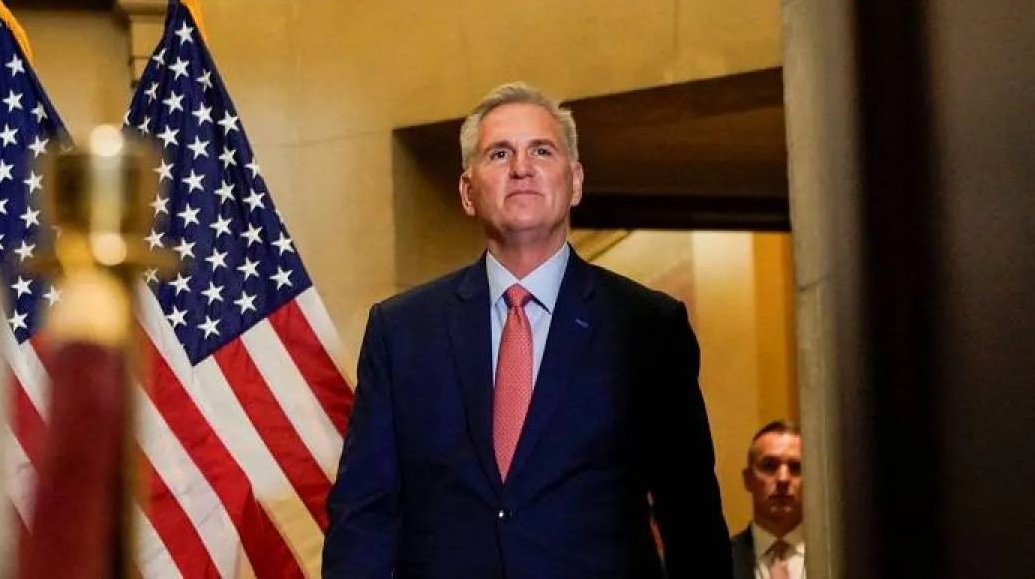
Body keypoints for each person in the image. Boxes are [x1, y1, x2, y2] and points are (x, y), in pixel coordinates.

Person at [323, 82, 731, 578]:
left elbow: (691, 516)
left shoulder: (648, 327)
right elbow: (363, 515)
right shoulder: (402, 330)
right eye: (499, 153)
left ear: (575, 182)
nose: (521, 167)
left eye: (541, 150)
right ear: (468, 192)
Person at [731, 421, 805, 579]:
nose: (783, 479)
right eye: (769, 466)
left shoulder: (843, 557)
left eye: (796, 467)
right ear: (748, 479)